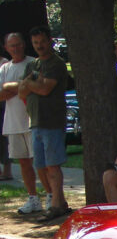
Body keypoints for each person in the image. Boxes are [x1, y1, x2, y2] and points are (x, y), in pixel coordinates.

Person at [11, 26, 70, 221]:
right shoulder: (32, 65)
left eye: (42, 42)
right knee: (41, 166)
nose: (39, 46)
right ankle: (59, 202)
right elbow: (21, 92)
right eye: (36, 43)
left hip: (51, 120)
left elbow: (45, 90)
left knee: (53, 165)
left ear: (49, 40)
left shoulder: (56, 63)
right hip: (34, 121)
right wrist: (31, 84)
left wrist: (29, 84)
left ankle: (56, 206)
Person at [0, 33, 39, 214]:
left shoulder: (34, 63)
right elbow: (2, 94)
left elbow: (35, 87)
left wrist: (11, 87)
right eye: (11, 46)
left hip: (33, 120)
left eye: (18, 44)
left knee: (41, 162)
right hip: (13, 122)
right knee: (23, 162)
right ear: (6, 48)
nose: (15, 48)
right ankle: (33, 198)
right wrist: (22, 86)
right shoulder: (4, 68)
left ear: (24, 44)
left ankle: (52, 197)